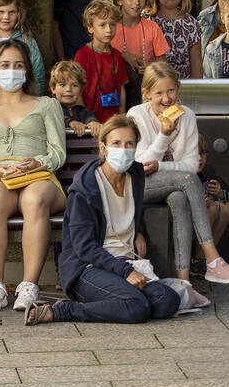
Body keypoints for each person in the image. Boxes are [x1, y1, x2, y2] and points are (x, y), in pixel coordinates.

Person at [24, 115, 180, 326]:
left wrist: (140, 230)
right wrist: (126, 273)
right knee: (136, 307)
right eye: (116, 143)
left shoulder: (135, 173)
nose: (123, 149)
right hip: (86, 268)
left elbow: (131, 209)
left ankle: (114, 304)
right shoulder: (86, 187)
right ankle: (64, 310)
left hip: (126, 260)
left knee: (167, 300)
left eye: (129, 144)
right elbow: (84, 247)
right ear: (103, 147)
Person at [0, 40, 67, 312]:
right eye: (5, 65)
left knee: (34, 199)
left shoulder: (47, 105)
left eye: (17, 65)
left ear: (27, 71)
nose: (11, 71)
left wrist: (38, 162)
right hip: (0, 179)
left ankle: (28, 286)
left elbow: (58, 153)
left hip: (40, 178)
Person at [128, 62, 229, 283]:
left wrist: (161, 166)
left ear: (179, 88)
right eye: (159, 93)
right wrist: (163, 135)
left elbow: (191, 163)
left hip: (173, 183)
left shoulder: (188, 115)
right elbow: (141, 164)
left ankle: (184, 283)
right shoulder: (136, 115)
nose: (166, 98)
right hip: (139, 185)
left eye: (171, 90)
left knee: (180, 197)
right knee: (188, 180)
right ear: (146, 94)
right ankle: (212, 259)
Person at [112, 0, 170, 109]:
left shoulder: (152, 27)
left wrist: (150, 66)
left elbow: (163, 63)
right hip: (116, 88)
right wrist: (123, 54)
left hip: (145, 88)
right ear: (120, 0)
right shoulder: (112, 27)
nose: (136, 3)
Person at [75, 0, 128, 122]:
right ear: (90, 28)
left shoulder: (116, 55)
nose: (109, 30)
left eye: (112, 24)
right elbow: (77, 90)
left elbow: (121, 89)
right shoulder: (82, 56)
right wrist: (85, 119)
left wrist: (122, 116)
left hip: (113, 121)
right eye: (102, 25)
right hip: (91, 122)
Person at [147, 0, 202, 80]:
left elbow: (196, 66)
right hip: (153, 88)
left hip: (183, 89)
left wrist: (195, 94)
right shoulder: (146, 20)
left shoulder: (191, 24)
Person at [197, 137, 229, 260]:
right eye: (194, 154)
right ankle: (199, 260)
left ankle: (207, 259)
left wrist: (220, 193)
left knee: (226, 207)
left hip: (198, 229)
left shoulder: (201, 177)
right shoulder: (180, 173)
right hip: (182, 227)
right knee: (210, 207)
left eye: (202, 154)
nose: (200, 158)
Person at [49, 61, 101, 138]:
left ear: (81, 90)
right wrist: (70, 122)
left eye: (74, 85)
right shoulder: (50, 109)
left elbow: (90, 118)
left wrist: (93, 123)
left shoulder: (84, 112)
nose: (68, 89)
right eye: (62, 85)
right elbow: (54, 117)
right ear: (53, 88)